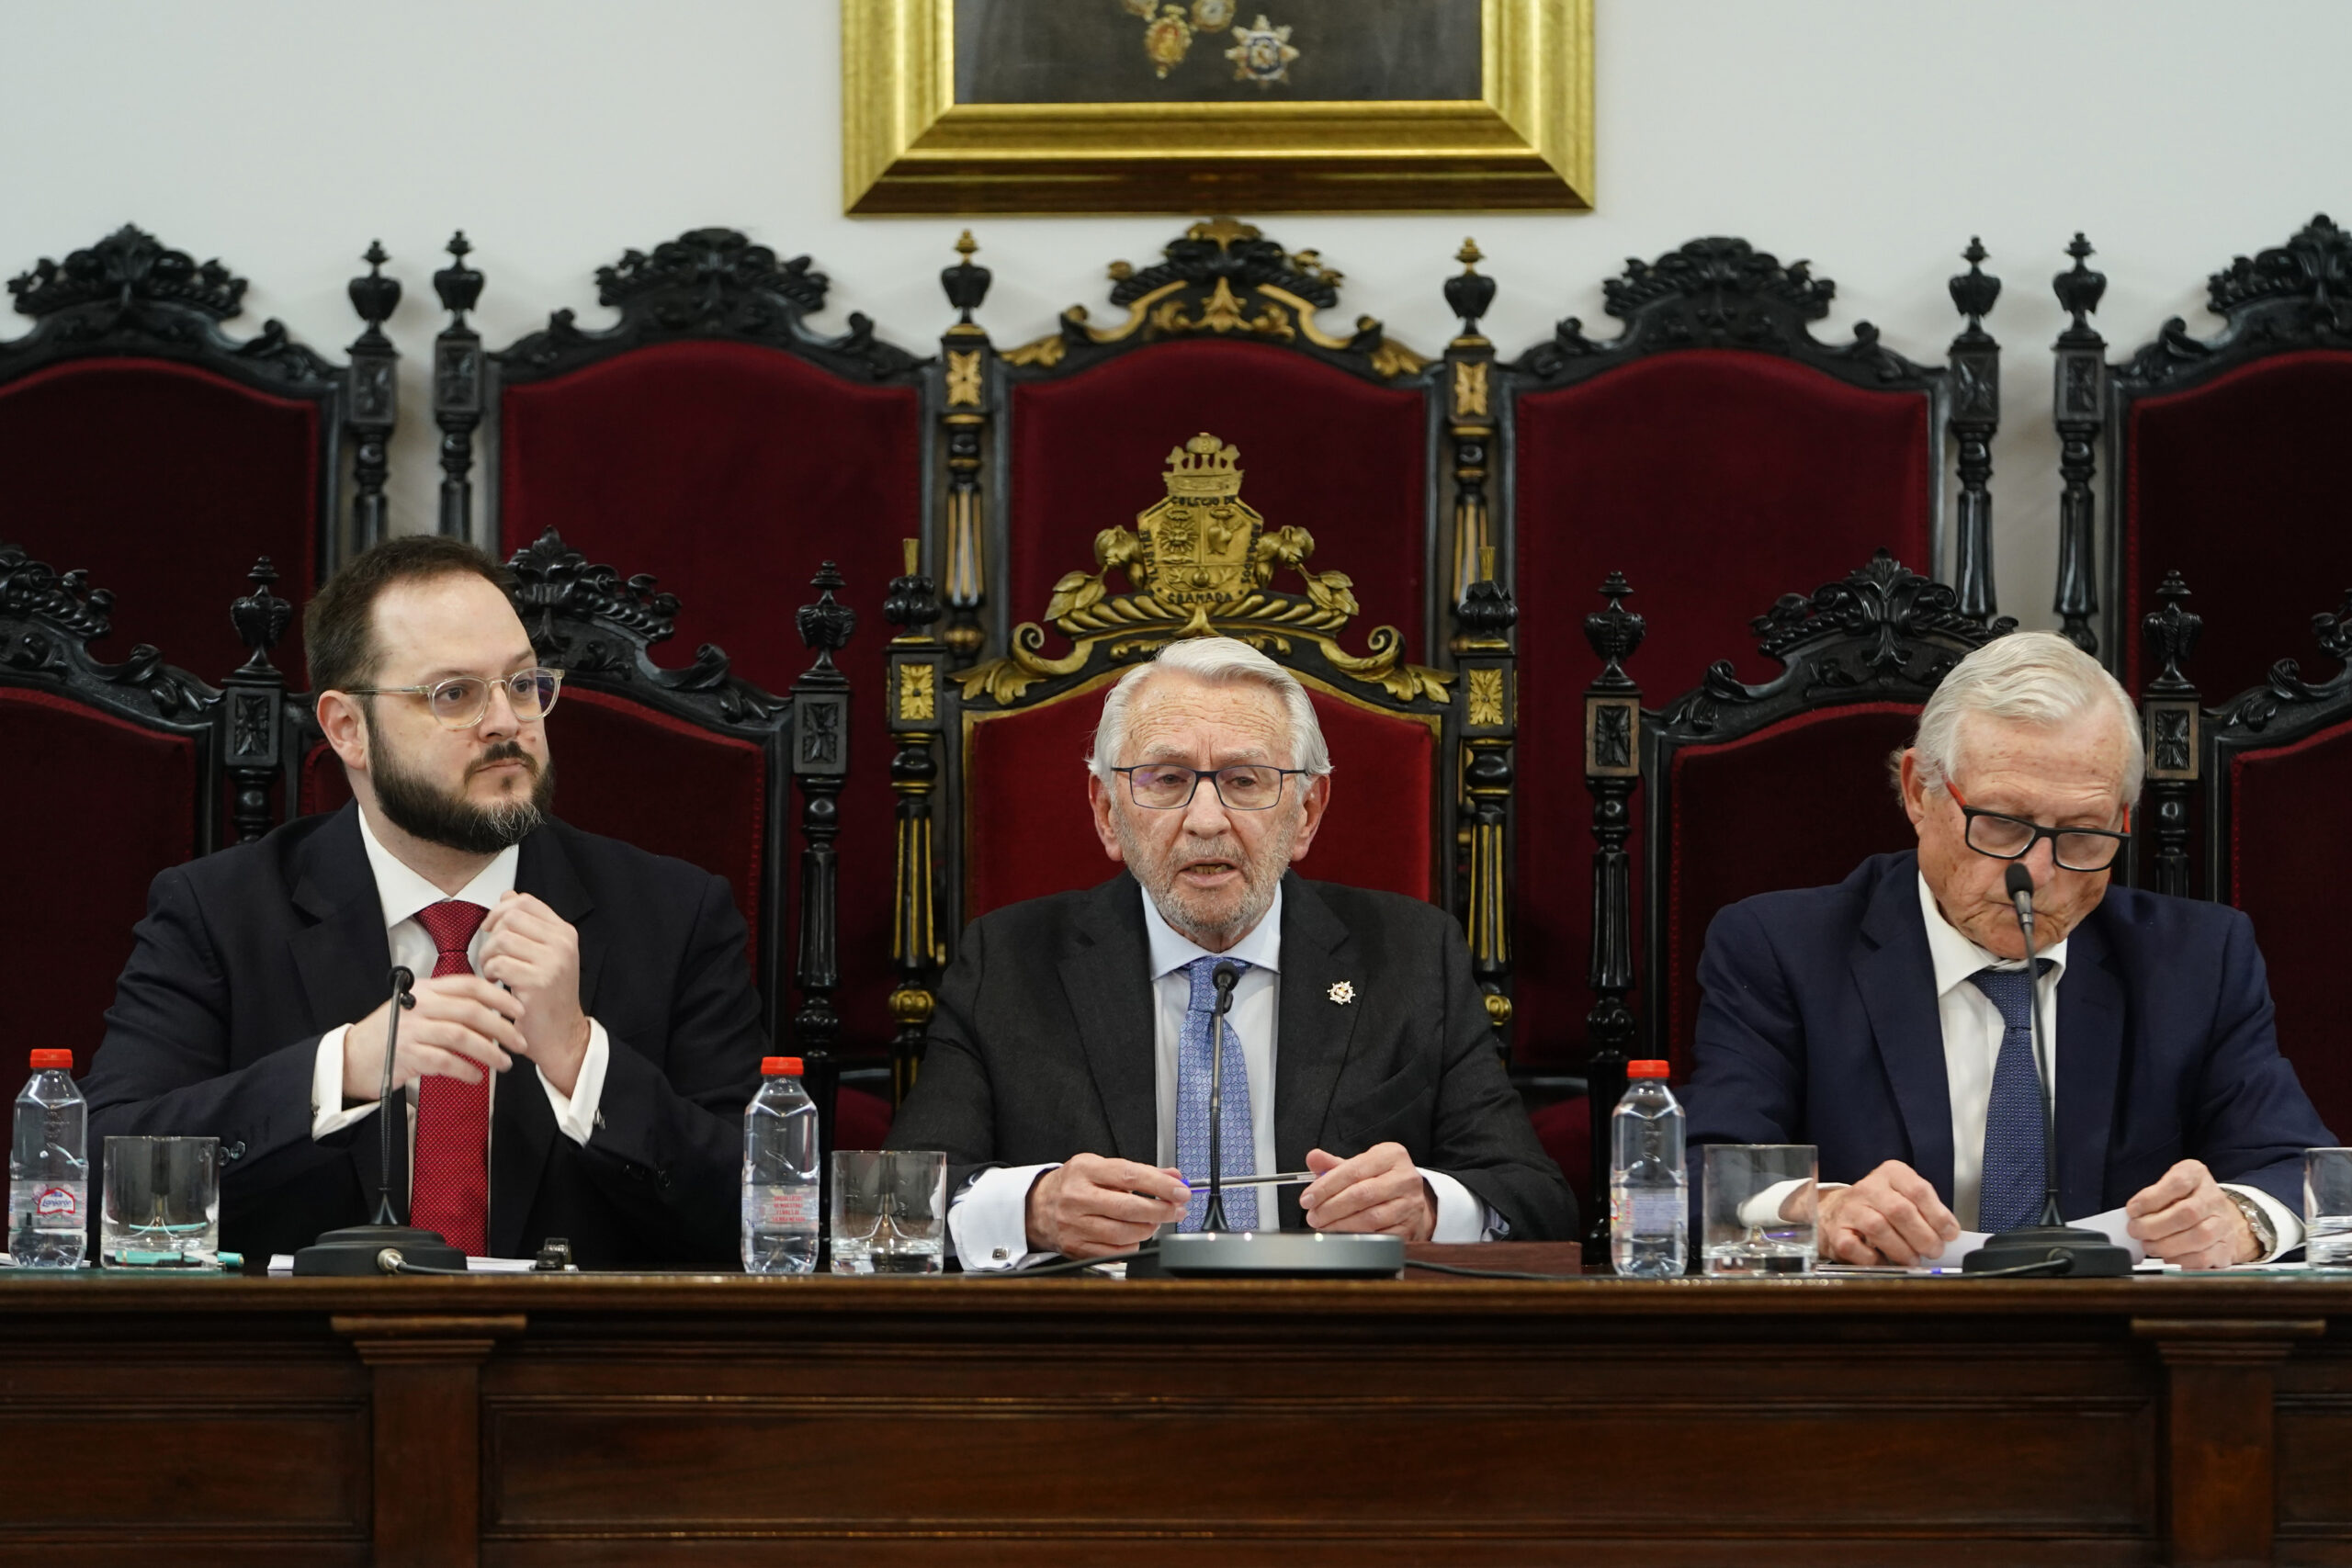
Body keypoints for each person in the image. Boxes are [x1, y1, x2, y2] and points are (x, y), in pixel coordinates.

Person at [81, 536, 765, 1267]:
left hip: (575, 1368)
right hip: (302, 1365)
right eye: (455, 694)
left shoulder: (674, 914)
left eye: (524, 683)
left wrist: (579, 1058)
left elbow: (763, 1221)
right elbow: (96, 1177)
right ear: (348, 729)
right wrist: (342, 1066)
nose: (507, 722)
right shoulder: (219, 912)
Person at [887, 636, 1573, 1267]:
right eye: (1165, 779)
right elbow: (893, 1200)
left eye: (1245, 780)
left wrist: (1427, 1207)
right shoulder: (1008, 964)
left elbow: (1539, 1203)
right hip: (1095, 1360)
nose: (1207, 820)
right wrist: (1033, 1210)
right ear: (1107, 813)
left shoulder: (1414, 956)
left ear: (1306, 812)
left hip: (1337, 1358)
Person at [1685, 631, 2334, 1269]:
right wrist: (1817, 1207)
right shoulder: (1782, 948)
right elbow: (1702, 1169)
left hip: (2120, 1353)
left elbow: (2304, 1171)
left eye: (2082, 834)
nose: (2039, 871)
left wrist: (2241, 1219)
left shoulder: (2198, 960)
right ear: (1918, 791)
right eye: (2001, 823)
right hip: (1874, 1348)